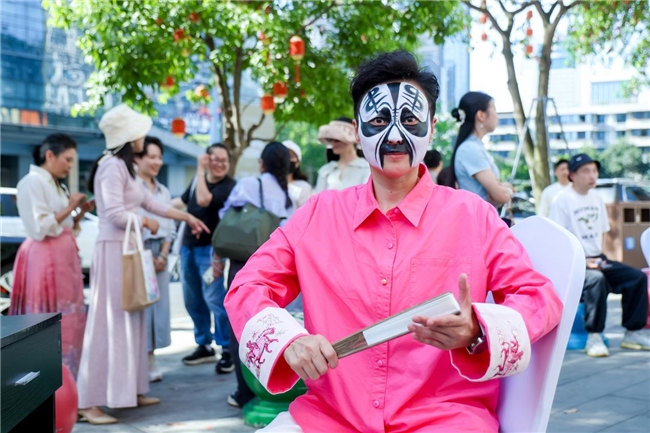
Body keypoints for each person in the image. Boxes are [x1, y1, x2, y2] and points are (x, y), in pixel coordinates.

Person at [225, 50, 562, 432]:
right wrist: (289, 341)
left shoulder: (474, 216)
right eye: (380, 120)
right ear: (357, 131)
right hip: (329, 418)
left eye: (411, 120)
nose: (396, 135)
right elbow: (247, 287)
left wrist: (478, 330)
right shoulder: (318, 215)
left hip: (444, 420)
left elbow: (539, 297)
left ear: (431, 129)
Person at [77, 104, 209, 425]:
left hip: (129, 249)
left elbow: (152, 203)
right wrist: (147, 223)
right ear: (129, 136)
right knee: (109, 323)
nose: (143, 138)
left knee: (134, 321)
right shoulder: (111, 166)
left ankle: (130, 390)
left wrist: (187, 217)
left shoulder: (126, 168)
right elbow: (113, 213)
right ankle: (88, 402)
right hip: (115, 250)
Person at [215, 141, 296, 409]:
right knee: (271, 328)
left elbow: (227, 213)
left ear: (262, 164)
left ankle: (244, 391)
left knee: (240, 325)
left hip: (245, 262)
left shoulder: (250, 184)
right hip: (277, 266)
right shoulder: (288, 195)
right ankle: (270, 387)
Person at [549, 153, 650, 358]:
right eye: (586, 171)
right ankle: (594, 336)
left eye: (594, 171)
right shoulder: (562, 200)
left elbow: (602, 236)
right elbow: (558, 241)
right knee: (596, 280)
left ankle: (633, 333)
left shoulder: (597, 198)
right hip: (574, 264)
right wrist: (584, 262)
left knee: (637, 277)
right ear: (572, 175)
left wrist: (600, 260)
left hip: (598, 258)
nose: (592, 175)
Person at [10, 133, 94, 379]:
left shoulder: (55, 184)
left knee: (68, 316)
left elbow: (63, 225)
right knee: (48, 316)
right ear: (50, 155)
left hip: (62, 257)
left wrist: (78, 213)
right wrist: (70, 207)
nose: (70, 166)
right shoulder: (31, 182)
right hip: (45, 257)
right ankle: (48, 377)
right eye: (67, 159)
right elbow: (40, 227)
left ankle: (69, 376)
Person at [171, 143, 236, 373]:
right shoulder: (196, 181)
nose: (220, 164)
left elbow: (203, 200)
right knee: (192, 300)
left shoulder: (229, 186)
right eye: (215, 159)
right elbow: (182, 202)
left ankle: (227, 348)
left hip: (211, 252)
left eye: (224, 160)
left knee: (215, 300)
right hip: (188, 247)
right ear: (207, 159)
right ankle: (204, 344)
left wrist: (200, 170)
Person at [135, 136, 175, 382]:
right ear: (138, 158)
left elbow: (169, 227)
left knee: (158, 309)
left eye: (159, 157)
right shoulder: (132, 187)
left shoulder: (164, 191)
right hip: (138, 251)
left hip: (160, 251)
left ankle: (150, 360)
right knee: (140, 308)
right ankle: (139, 362)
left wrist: (163, 254)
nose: (157, 162)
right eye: (151, 156)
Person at [441, 92, 513, 207]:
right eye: (494, 109)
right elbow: (500, 196)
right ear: (481, 115)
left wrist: (500, 191)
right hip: (478, 217)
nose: (497, 115)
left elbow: (497, 195)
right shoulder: (470, 149)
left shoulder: (474, 146)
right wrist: (507, 190)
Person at [314, 117, 370, 193]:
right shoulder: (326, 170)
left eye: (338, 139)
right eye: (330, 139)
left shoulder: (366, 168)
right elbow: (318, 197)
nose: (333, 143)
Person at [282, 140, 313, 208]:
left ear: (297, 163)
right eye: (283, 155)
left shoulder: (303, 187)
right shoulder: (270, 184)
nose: (287, 159)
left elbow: (306, 212)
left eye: (291, 156)